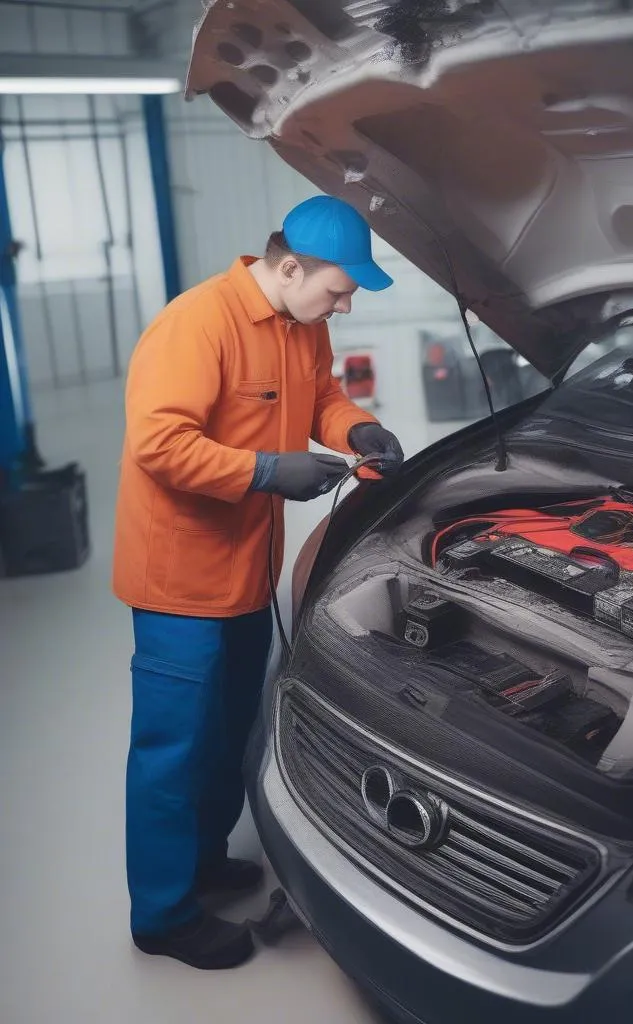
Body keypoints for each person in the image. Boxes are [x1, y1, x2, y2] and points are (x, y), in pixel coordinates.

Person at [112, 195, 404, 970]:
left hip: (247, 569)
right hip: (180, 579)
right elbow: (159, 443)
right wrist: (270, 470)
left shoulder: (303, 329)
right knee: (173, 745)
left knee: (231, 725)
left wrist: (356, 428)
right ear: (287, 266)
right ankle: (163, 914)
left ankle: (203, 861)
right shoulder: (196, 323)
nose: (342, 307)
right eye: (339, 289)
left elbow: (322, 401)